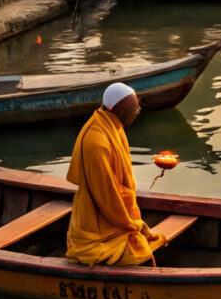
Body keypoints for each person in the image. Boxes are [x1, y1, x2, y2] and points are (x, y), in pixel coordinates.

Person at [65, 83, 167, 267]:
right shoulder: (96, 142)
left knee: (145, 244)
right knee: (141, 254)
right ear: (120, 110)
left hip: (112, 213)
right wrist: (133, 224)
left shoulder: (112, 126)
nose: (138, 110)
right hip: (95, 227)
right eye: (134, 108)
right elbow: (107, 197)